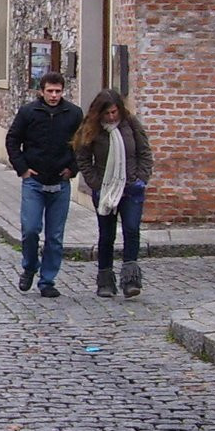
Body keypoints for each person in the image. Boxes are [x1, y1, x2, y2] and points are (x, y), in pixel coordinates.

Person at [6, 71, 84, 297]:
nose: (53, 95)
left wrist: (73, 168)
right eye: (50, 91)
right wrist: (22, 168)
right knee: (30, 229)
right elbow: (13, 140)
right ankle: (30, 267)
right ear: (41, 91)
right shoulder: (29, 112)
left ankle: (47, 280)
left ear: (63, 91)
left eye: (58, 91)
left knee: (55, 236)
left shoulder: (73, 114)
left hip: (60, 182)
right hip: (34, 182)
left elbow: (82, 144)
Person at [73, 89, 154, 298]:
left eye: (114, 112)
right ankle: (105, 280)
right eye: (107, 113)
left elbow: (144, 152)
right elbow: (82, 158)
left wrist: (141, 179)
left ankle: (131, 278)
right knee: (106, 234)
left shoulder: (131, 124)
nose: (111, 117)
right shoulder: (91, 129)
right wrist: (96, 184)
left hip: (130, 187)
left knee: (131, 228)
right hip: (106, 188)